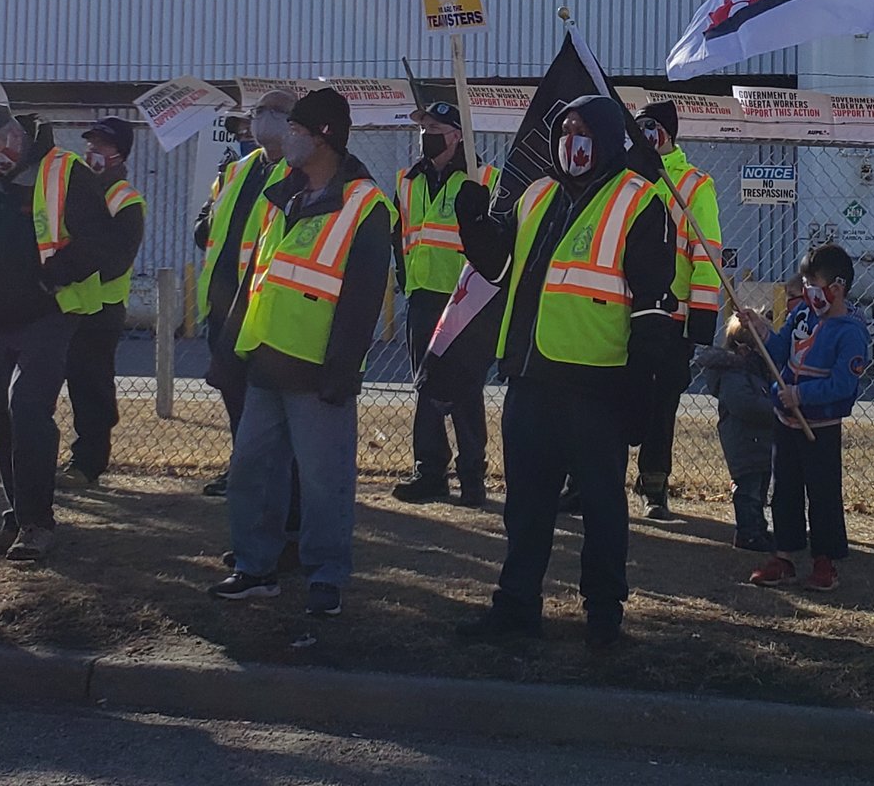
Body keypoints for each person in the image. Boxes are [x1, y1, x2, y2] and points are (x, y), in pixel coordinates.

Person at [452, 95, 682, 647]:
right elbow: (500, 268)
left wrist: (641, 391)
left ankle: (603, 613)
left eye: (581, 129)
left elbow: (653, 307)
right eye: (563, 129)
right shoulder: (536, 195)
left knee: (602, 507)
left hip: (597, 384)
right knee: (525, 506)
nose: (570, 140)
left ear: (604, 136)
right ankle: (516, 606)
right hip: (530, 377)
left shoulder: (639, 200)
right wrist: (473, 222)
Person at [209, 89, 390, 620]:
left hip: (317, 372)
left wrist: (342, 370)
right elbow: (256, 276)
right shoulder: (281, 194)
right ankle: (254, 569)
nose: (285, 138)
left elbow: (362, 299)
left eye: (295, 130)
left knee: (324, 482)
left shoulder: (366, 204)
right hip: (264, 360)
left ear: (324, 137)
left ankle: (326, 577)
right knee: (252, 471)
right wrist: (230, 350)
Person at [0, 103, 112, 564]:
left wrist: (55, 275)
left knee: (27, 409)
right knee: (3, 419)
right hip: (0, 316)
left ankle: (38, 525)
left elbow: (102, 243)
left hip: (50, 313)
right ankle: (17, 519)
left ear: (11, 135)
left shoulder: (67, 171)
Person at [744, 244, 871, 592]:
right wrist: (760, 330)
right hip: (785, 422)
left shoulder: (851, 332)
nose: (807, 291)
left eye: (813, 284)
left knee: (823, 494)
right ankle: (784, 556)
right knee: (784, 490)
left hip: (821, 427)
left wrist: (801, 396)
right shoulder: (802, 316)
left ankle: (824, 561)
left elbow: (843, 385)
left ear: (837, 288)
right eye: (805, 283)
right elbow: (779, 350)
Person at [390, 100, 497, 508]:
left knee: (466, 388)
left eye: (434, 128)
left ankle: (472, 476)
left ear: (456, 136)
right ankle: (429, 472)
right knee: (426, 386)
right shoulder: (408, 180)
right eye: (423, 127)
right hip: (422, 295)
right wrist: (406, 279)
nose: (425, 134)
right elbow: (399, 234)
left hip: (465, 300)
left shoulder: (482, 179)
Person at [193, 90, 293, 497]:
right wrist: (204, 220)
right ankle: (243, 468)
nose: (262, 119)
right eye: (258, 112)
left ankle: (270, 477)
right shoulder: (237, 170)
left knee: (266, 401)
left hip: (263, 306)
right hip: (223, 304)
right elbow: (208, 224)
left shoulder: (298, 173)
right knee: (233, 392)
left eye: (274, 112)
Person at [632, 100, 723, 522]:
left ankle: (654, 486)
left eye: (648, 127)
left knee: (661, 404)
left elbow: (707, 255)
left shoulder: (693, 185)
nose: (642, 135)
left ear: (665, 133)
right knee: (606, 399)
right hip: (622, 311)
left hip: (672, 318)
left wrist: (701, 319)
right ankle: (586, 482)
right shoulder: (625, 178)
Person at [57, 116, 145, 489]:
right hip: (67, 302)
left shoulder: (125, 198)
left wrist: (70, 267)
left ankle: (88, 463)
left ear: (120, 153)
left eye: (102, 145)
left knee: (92, 387)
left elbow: (116, 259)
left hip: (101, 307)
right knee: (65, 384)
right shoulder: (77, 190)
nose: (92, 150)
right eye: (90, 143)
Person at [695, 316, 775, 550]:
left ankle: (758, 528)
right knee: (748, 490)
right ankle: (747, 533)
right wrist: (774, 409)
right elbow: (744, 404)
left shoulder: (757, 371)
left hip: (759, 440)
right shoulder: (735, 374)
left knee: (760, 489)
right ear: (744, 349)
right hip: (744, 441)